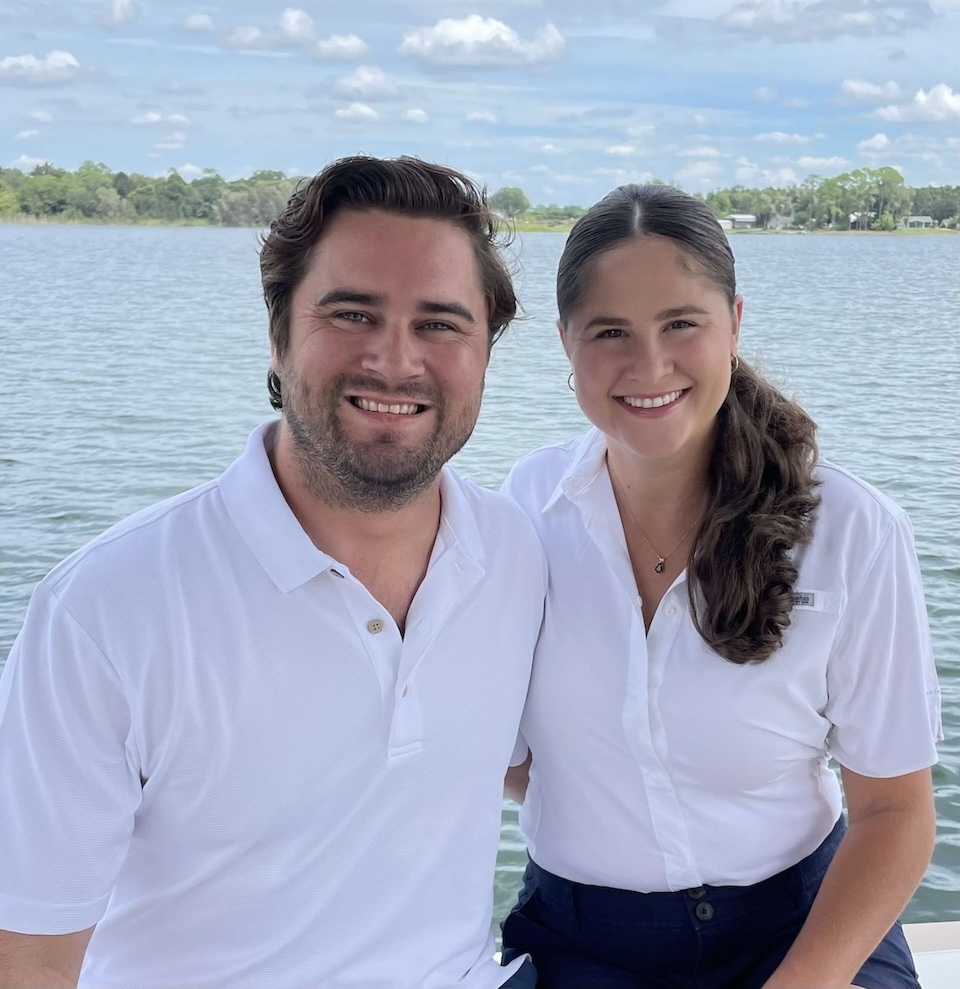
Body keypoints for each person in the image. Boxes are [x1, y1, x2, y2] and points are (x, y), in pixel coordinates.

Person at [0, 156, 543, 989]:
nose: (394, 359)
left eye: (440, 323)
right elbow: (28, 953)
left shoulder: (515, 555)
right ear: (278, 335)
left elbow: (531, 765)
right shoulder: (106, 609)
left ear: (485, 353)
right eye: (352, 312)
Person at [499, 183, 942, 989]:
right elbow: (503, 752)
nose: (650, 365)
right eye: (610, 331)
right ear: (565, 342)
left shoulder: (852, 530)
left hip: (803, 925)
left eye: (682, 324)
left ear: (734, 325)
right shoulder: (522, 511)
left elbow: (896, 811)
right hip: (585, 939)